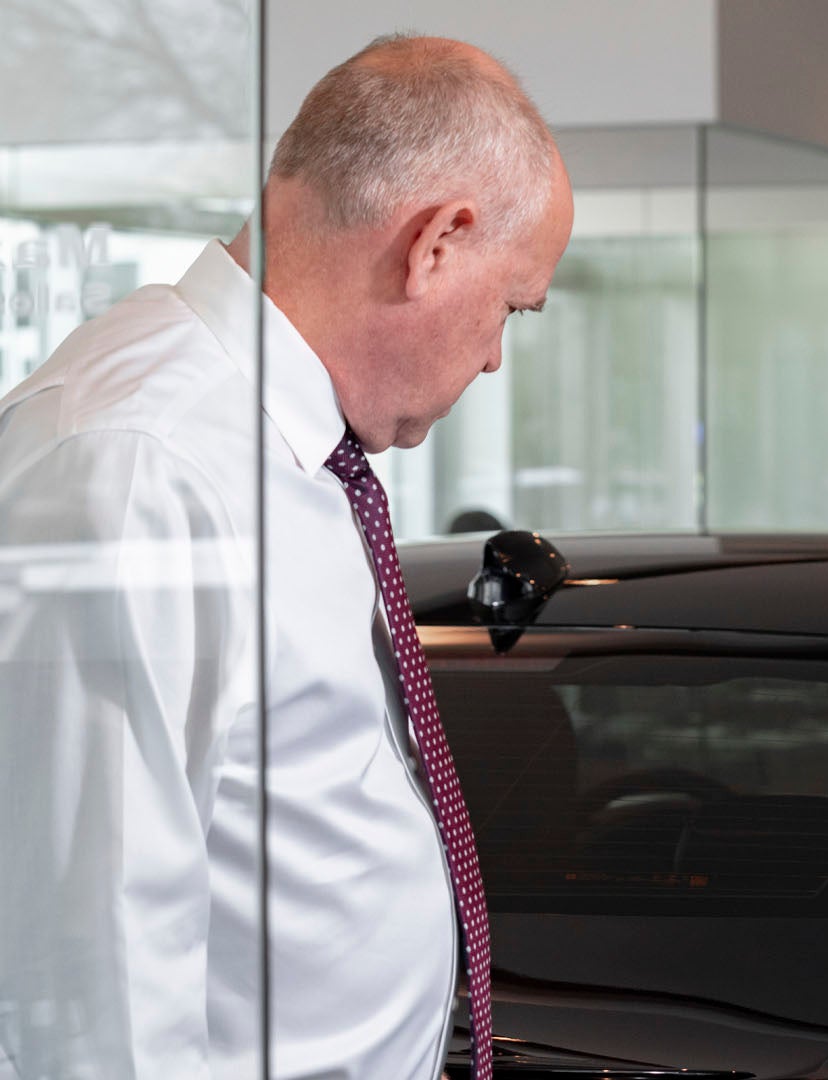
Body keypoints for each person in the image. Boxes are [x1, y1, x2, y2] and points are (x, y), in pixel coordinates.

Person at [0, 35, 572, 1078]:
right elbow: (85, 989)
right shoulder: (139, 464)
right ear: (436, 242)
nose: (495, 354)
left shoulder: (283, 455)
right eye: (511, 308)